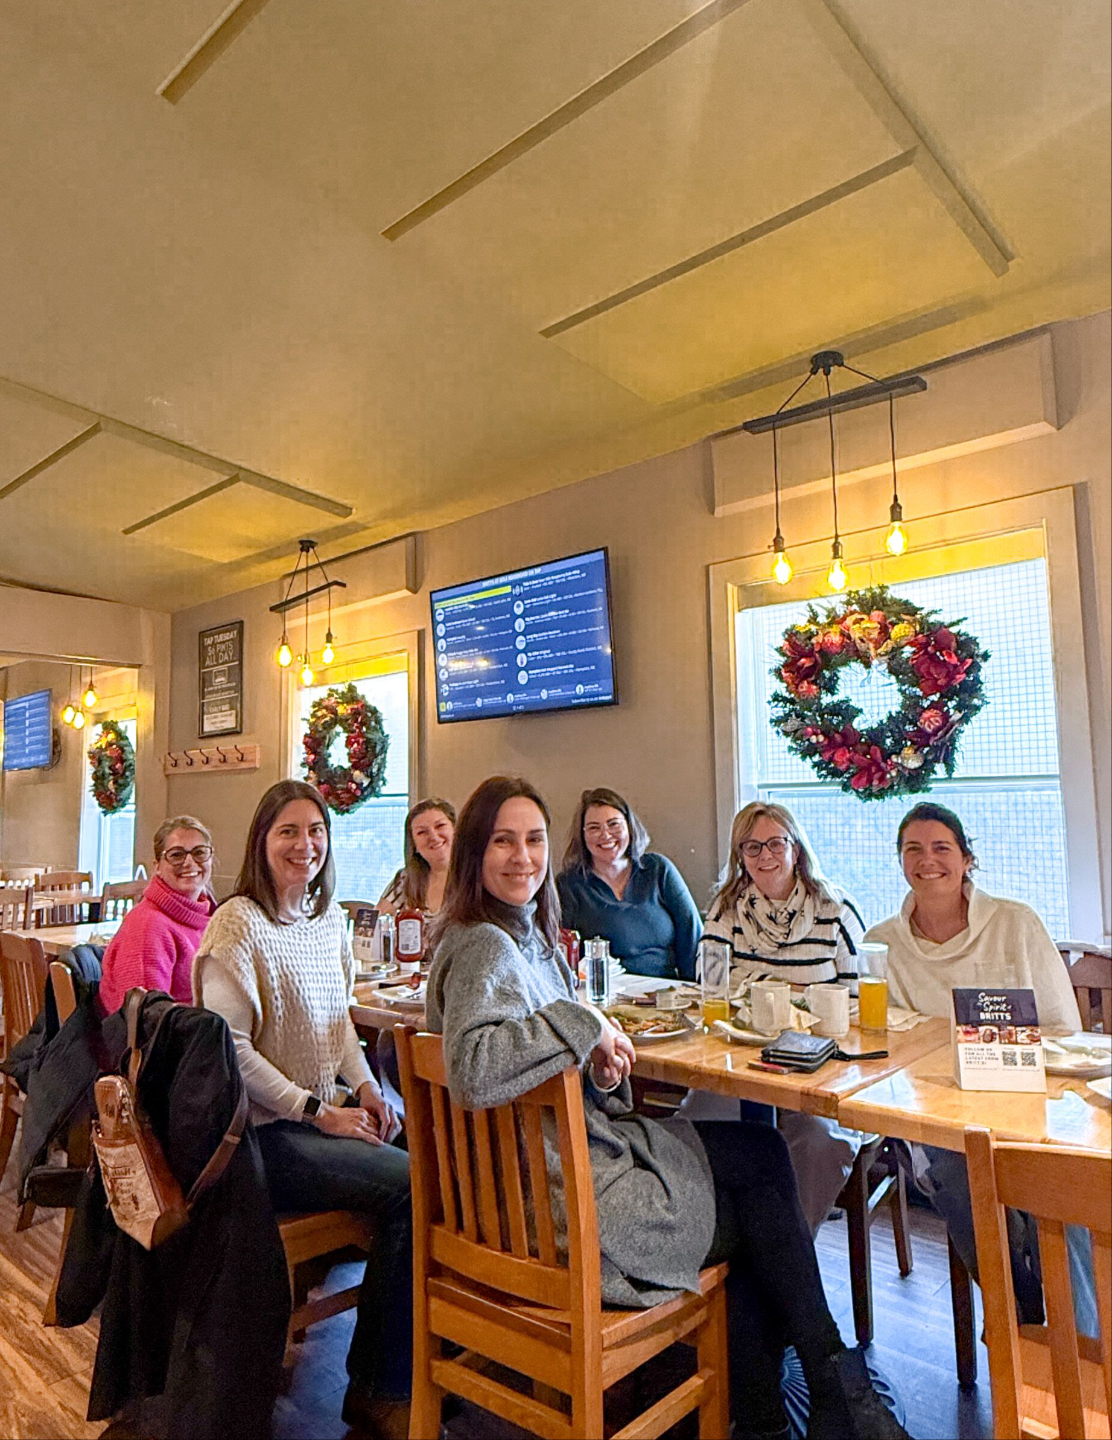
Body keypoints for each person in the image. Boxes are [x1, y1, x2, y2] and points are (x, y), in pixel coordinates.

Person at [427, 775, 909, 1440]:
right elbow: (474, 1072)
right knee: (756, 1202)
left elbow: (534, 1070)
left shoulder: (518, 937)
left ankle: (783, 1404)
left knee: (760, 1158)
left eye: (533, 839)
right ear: (473, 854)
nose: (523, 857)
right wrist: (586, 1023)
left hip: (527, 1190)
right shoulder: (487, 942)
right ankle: (815, 1397)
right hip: (562, 1211)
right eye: (502, 841)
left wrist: (594, 1057)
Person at [193, 780, 412, 1440]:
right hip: (256, 1137)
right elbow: (229, 1051)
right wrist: (320, 1110)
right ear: (262, 840)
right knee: (412, 1186)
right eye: (288, 830)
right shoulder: (236, 922)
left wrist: (370, 1087)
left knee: (417, 1166)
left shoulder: (326, 920)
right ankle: (380, 1385)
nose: (304, 844)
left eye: (315, 830)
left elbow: (337, 1023)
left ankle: (412, 1350)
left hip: (315, 1114)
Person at [867, 801, 1093, 1334]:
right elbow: (891, 1041)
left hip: (1027, 1101)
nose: (928, 861)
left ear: (968, 859)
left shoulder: (1015, 922)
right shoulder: (885, 941)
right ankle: (1020, 1311)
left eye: (942, 848)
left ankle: (1078, 1342)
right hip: (938, 1110)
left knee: (1063, 1188)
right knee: (956, 1169)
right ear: (900, 861)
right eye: (913, 850)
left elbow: (1063, 1029)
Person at [698, 801, 867, 1231]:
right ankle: (722, 1249)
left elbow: (856, 1000)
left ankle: (790, 1256)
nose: (765, 856)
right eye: (752, 848)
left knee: (818, 1143)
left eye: (776, 843)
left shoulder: (835, 911)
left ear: (797, 849)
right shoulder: (725, 909)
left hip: (820, 1068)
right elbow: (713, 984)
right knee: (692, 1129)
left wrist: (758, 985)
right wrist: (797, 993)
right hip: (741, 1062)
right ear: (740, 857)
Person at [557, 786, 701, 980]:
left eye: (613, 824)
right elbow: (563, 955)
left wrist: (695, 995)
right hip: (607, 997)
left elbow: (692, 938)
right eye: (594, 828)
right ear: (582, 835)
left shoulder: (659, 869)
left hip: (669, 994)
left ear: (629, 826)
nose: (606, 835)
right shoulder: (569, 885)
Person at [98, 815, 217, 1015]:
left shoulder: (211, 918)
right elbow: (143, 1025)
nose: (189, 862)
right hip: (166, 1042)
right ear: (157, 867)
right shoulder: (147, 926)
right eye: (176, 855)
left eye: (199, 852)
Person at [377, 798, 456, 917]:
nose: (433, 837)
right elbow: (371, 926)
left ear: (456, 831)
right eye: (422, 832)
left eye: (440, 826)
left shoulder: (478, 877)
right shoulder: (405, 880)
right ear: (414, 846)